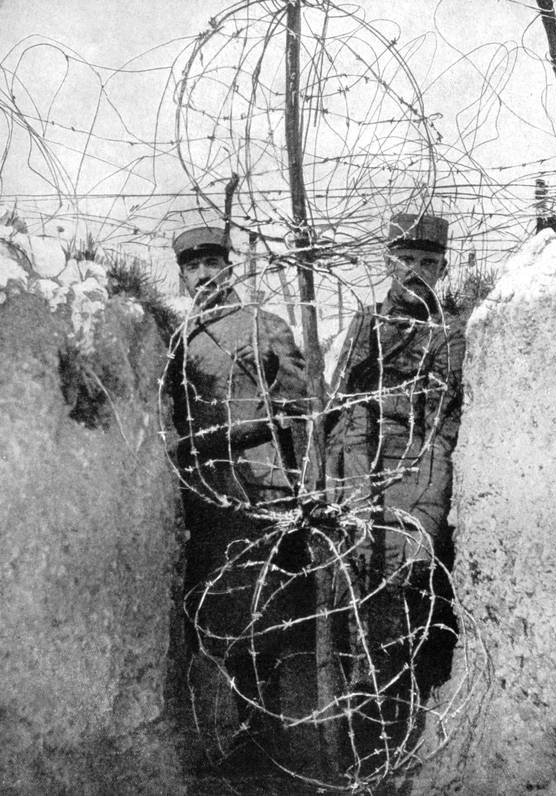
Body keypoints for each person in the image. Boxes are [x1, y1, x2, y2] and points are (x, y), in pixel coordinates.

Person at [326, 213, 465, 764]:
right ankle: (352, 725)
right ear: (388, 261)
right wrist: (339, 485)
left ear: (444, 267)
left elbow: (445, 427)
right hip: (361, 465)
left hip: (417, 468)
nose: (416, 271)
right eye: (407, 259)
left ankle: (393, 729)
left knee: (407, 585)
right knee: (351, 589)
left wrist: (426, 506)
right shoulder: (364, 325)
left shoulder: (450, 337)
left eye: (428, 262)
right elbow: (339, 411)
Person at [168, 225, 309, 763]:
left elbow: (298, 405)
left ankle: (266, 736)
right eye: (192, 266)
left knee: (265, 613)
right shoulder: (179, 340)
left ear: (230, 267)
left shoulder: (263, 324)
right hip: (207, 493)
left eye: (212, 262)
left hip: (260, 488)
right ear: (182, 275)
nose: (203, 274)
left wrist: (240, 438)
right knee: (220, 614)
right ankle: (237, 730)